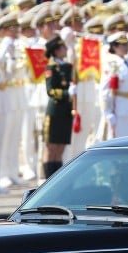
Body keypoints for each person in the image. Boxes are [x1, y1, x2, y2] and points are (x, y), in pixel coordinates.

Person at [42, 35, 74, 181]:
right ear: (56, 51)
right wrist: (67, 93)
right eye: (63, 47)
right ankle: (48, 180)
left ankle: (56, 180)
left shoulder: (68, 66)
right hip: (55, 111)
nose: (65, 49)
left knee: (61, 148)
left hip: (66, 110)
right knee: (51, 148)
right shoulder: (51, 68)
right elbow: (50, 91)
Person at [98, 32, 128, 139]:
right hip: (117, 108)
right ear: (115, 47)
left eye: (127, 44)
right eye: (123, 45)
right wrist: (108, 111)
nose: (126, 47)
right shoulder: (111, 63)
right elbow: (105, 89)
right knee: (116, 141)